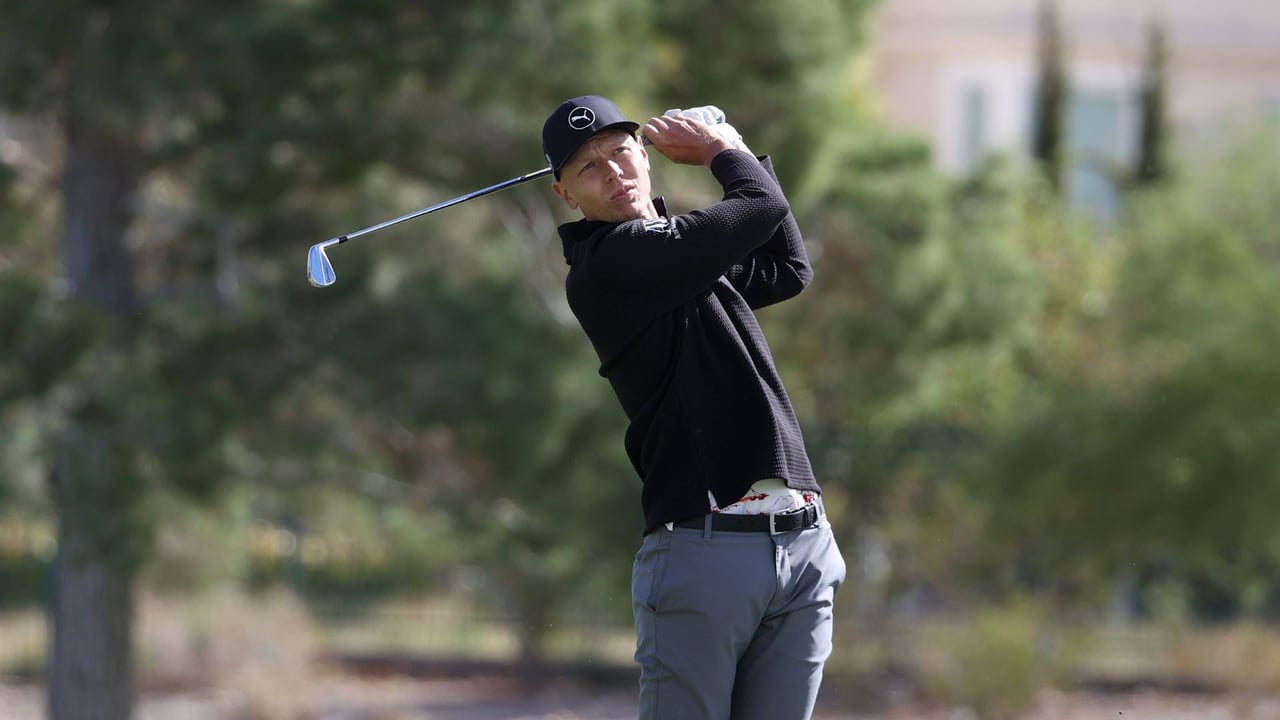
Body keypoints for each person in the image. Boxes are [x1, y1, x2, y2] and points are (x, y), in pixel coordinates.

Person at [542, 95, 846, 720]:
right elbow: (760, 206)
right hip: (706, 549)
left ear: (645, 156)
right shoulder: (607, 266)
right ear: (566, 195)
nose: (614, 171)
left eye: (621, 151)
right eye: (589, 167)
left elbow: (789, 268)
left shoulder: (682, 252)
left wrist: (735, 146)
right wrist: (722, 151)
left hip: (803, 544)